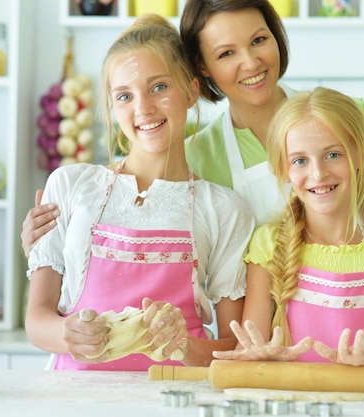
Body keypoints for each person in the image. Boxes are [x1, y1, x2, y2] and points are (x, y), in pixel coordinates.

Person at [21, 0, 364, 295]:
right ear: (202, 68)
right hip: (257, 339)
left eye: (259, 40)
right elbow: (127, 220)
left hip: (357, 318)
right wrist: (53, 236)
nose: (251, 63)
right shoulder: (196, 152)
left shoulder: (343, 120)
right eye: (227, 53)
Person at [24, 14, 255, 371]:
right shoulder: (70, 185)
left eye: (159, 87)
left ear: (192, 91)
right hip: (73, 397)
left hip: (174, 399)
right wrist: (66, 334)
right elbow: (37, 320)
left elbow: (236, 346)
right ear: (113, 107)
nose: (143, 108)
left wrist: (185, 346)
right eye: (124, 96)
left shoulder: (223, 209)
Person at [213, 87, 364, 373]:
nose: (318, 173)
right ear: (282, 168)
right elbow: (252, 342)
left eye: (333, 154)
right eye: (300, 160)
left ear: (361, 154)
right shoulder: (269, 245)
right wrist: (257, 354)